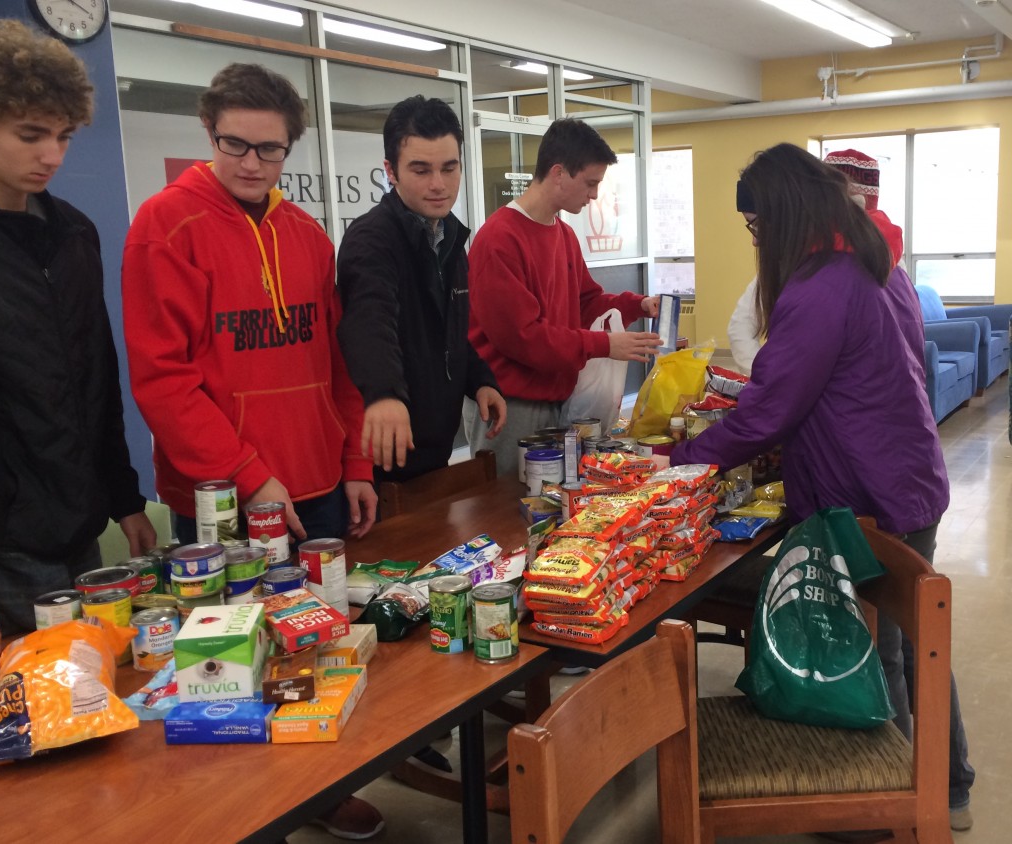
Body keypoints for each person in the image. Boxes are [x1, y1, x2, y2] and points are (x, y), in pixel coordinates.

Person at [672, 142, 974, 832]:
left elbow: (775, 406)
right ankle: (947, 787)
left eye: (754, 224)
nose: (755, 239)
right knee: (917, 640)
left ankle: (892, 809)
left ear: (777, 215)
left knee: (889, 651)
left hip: (874, 491)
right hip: (904, 476)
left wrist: (683, 459)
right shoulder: (870, 259)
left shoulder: (820, 285)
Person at [121, 63, 381, 839]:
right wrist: (248, 476)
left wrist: (356, 463)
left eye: (270, 151)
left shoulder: (305, 236)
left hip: (319, 486)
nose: (252, 163)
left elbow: (337, 366)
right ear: (209, 134)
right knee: (225, 671)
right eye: (236, 143)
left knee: (321, 654)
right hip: (221, 502)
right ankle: (234, 812)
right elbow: (162, 384)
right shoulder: (163, 227)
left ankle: (323, 787)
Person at [0, 19, 155, 675]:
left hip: (80, 529)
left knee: (91, 706)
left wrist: (126, 498)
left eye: (62, 136)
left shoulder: (75, 232)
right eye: (31, 135)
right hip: (2, 545)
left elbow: (96, 374)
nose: (52, 154)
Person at [465, 118, 662, 475]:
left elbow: (586, 303)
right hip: (511, 404)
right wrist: (603, 344)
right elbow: (523, 337)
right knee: (505, 509)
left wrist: (637, 305)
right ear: (558, 173)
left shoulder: (563, 234)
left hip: (559, 398)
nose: (594, 196)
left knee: (553, 505)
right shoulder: (500, 239)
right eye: (590, 183)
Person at [337, 95, 505, 480]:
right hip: (383, 456)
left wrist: (479, 380)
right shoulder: (371, 238)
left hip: (435, 450)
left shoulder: (448, 239)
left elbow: (447, 334)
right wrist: (384, 394)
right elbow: (369, 323)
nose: (438, 185)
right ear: (390, 172)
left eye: (449, 168)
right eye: (420, 170)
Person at [726, 147, 904, 375]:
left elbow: (785, 388)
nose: (755, 242)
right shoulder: (891, 259)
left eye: (758, 225)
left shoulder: (818, 279)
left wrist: (761, 379)